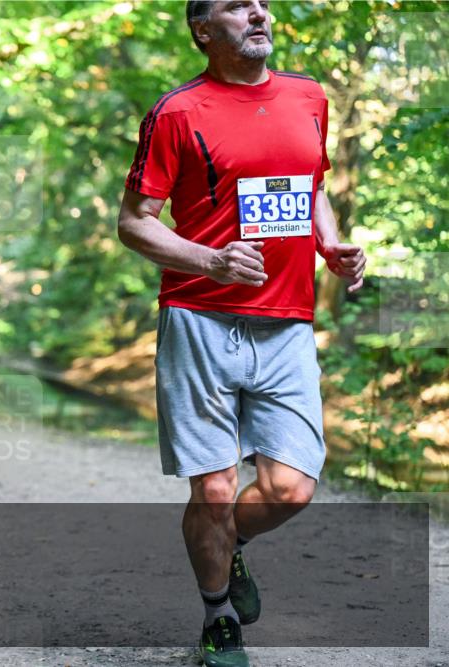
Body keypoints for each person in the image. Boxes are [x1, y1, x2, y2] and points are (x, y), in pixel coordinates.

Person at [116, 2, 366, 665]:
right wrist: (212, 259)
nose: (257, 11)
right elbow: (135, 220)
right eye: (235, 5)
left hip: (286, 321)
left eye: (260, 1)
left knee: (292, 486)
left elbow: (311, 186)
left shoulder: (309, 97)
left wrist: (331, 245)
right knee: (216, 488)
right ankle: (217, 616)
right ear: (203, 30)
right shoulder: (176, 113)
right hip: (198, 318)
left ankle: (232, 548)